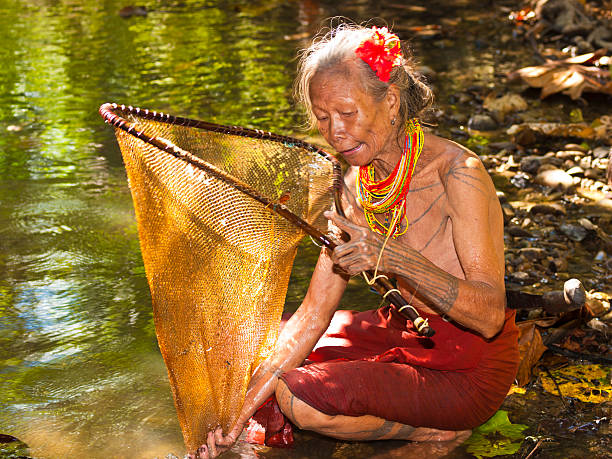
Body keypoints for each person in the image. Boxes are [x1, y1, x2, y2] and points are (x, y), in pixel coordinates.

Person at [195, 23, 519, 458]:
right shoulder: (353, 186)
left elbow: (490, 316)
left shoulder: (459, 173)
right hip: (400, 330)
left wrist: (395, 257)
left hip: (467, 365)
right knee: (244, 345)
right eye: (323, 118)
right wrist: (237, 414)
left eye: (347, 114)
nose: (335, 133)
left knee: (299, 398)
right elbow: (314, 312)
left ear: (390, 102)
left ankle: (430, 434)